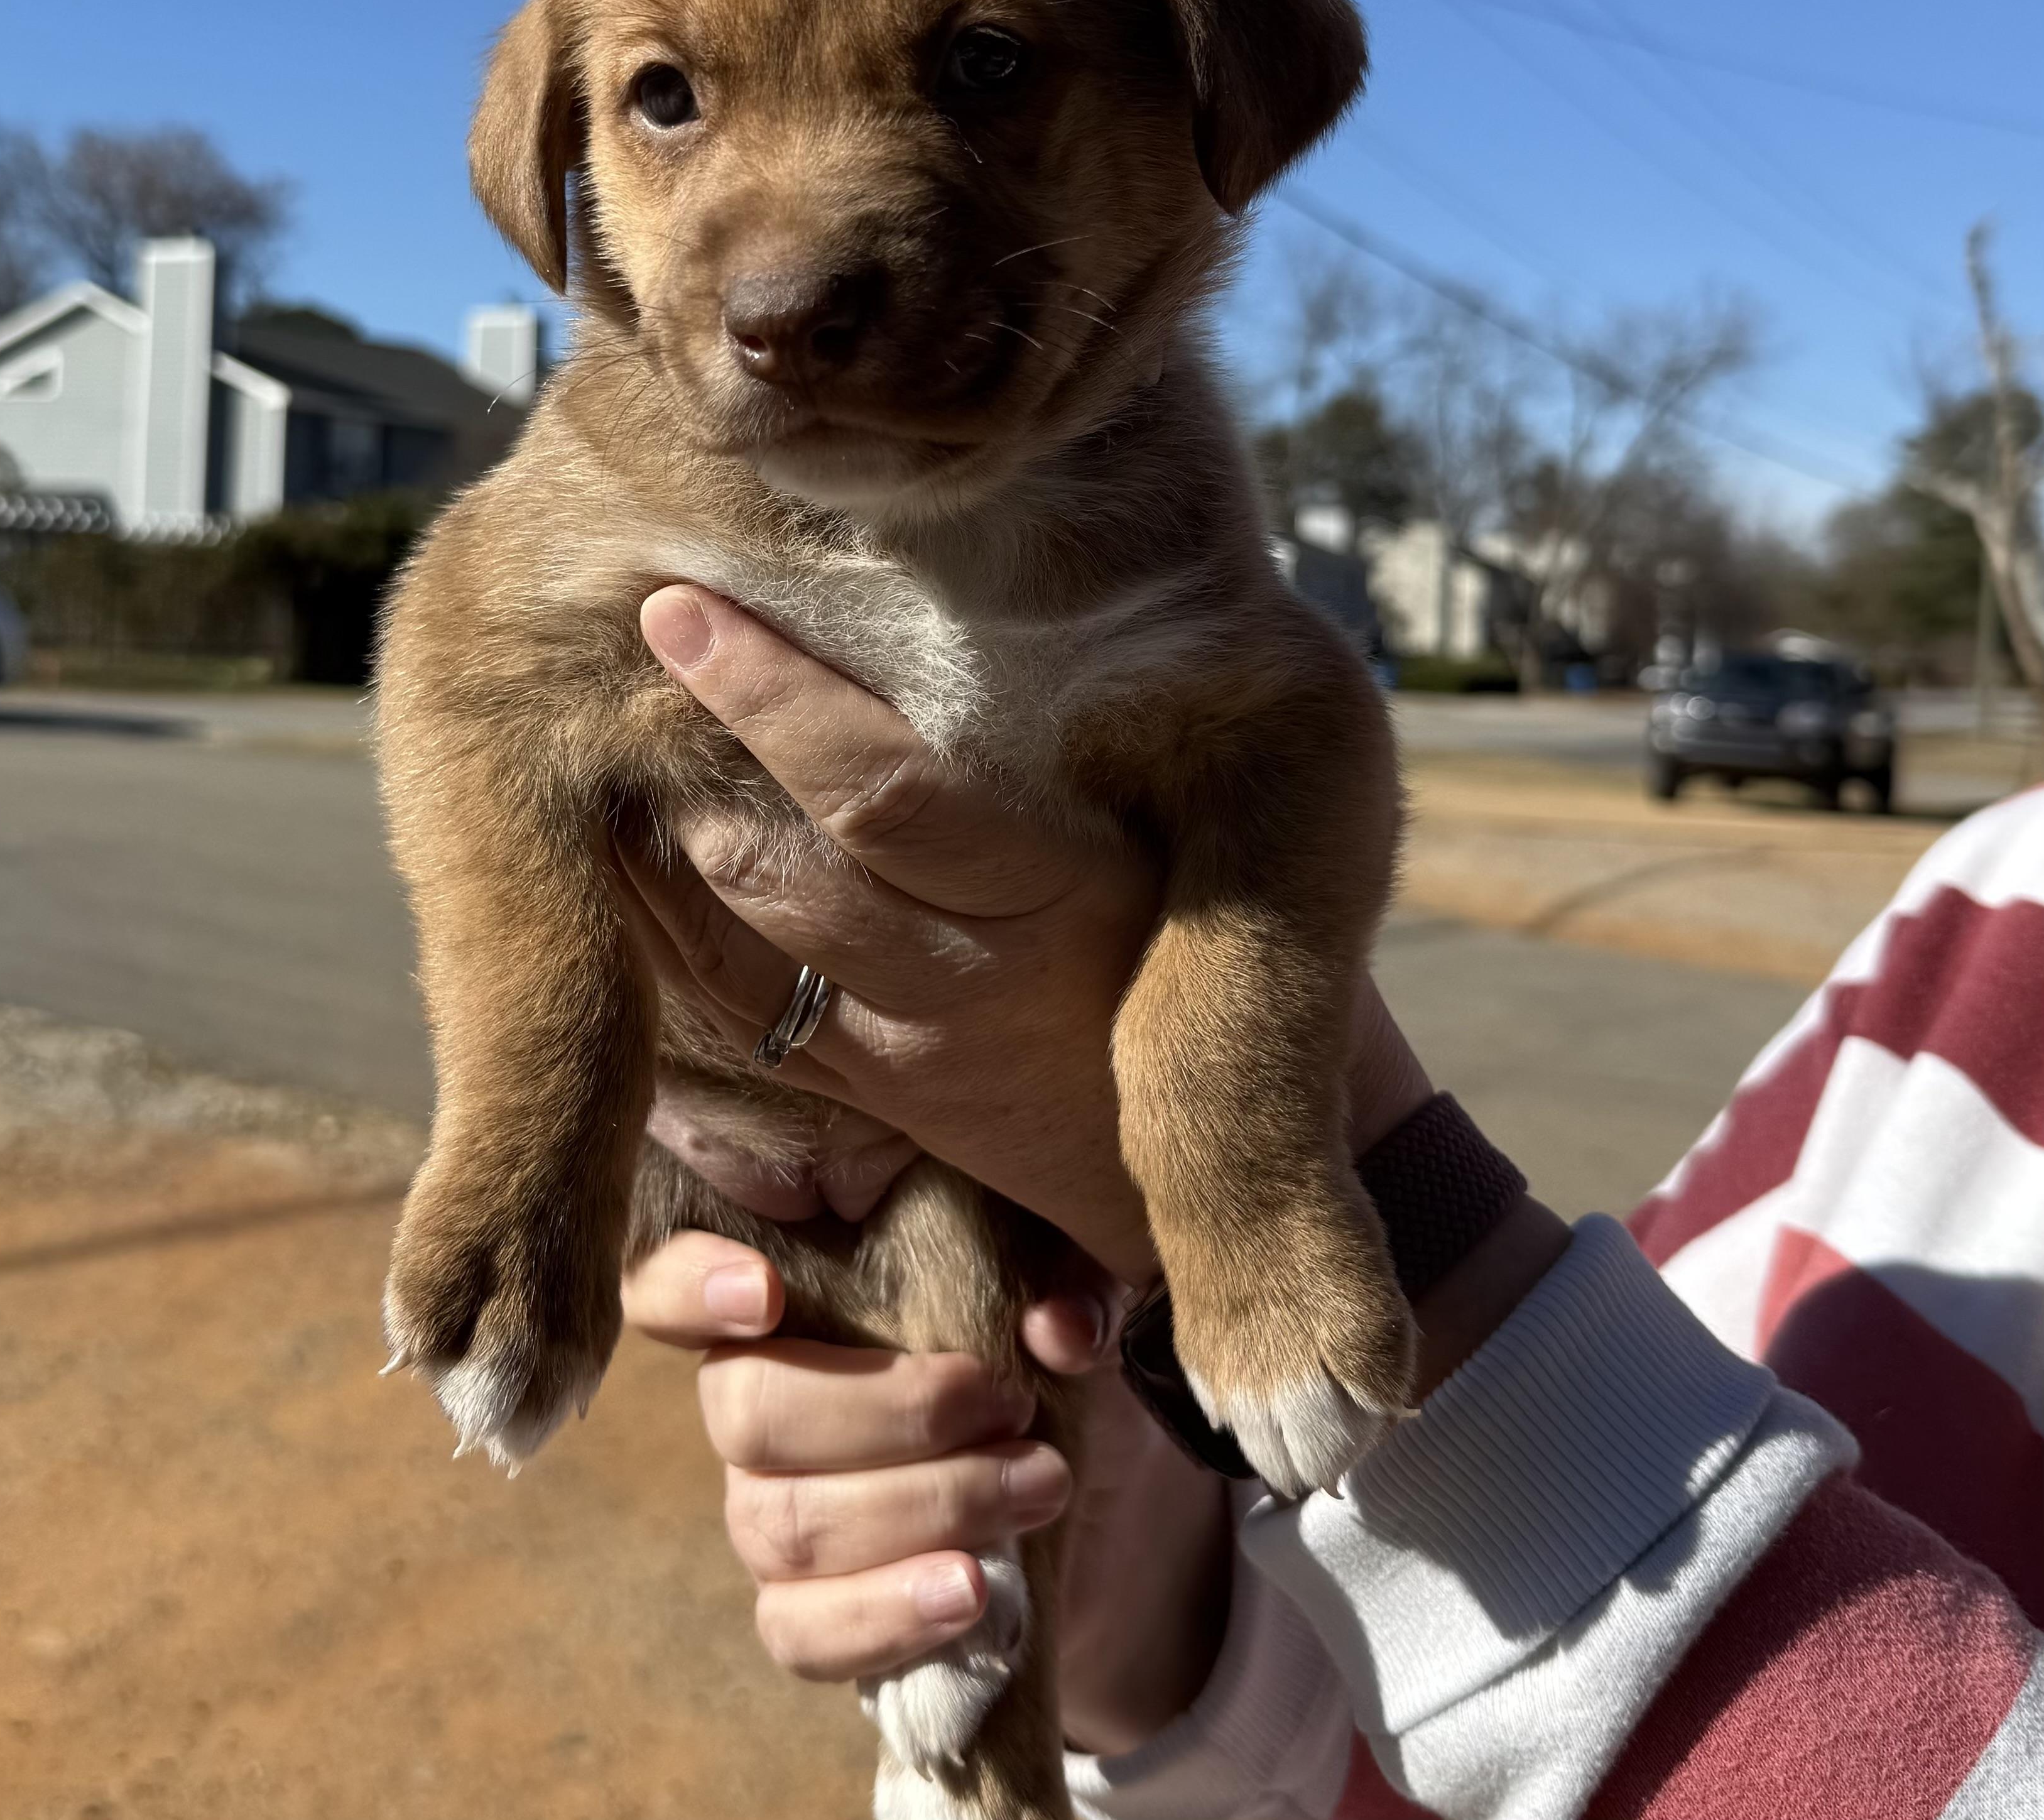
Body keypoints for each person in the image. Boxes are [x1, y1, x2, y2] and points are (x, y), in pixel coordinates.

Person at [615, 585, 2043, 1819]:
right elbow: (1455, 1680)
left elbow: (1305, 718)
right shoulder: (1985, 900)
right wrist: (1162, 1623)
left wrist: (1341, 1202)